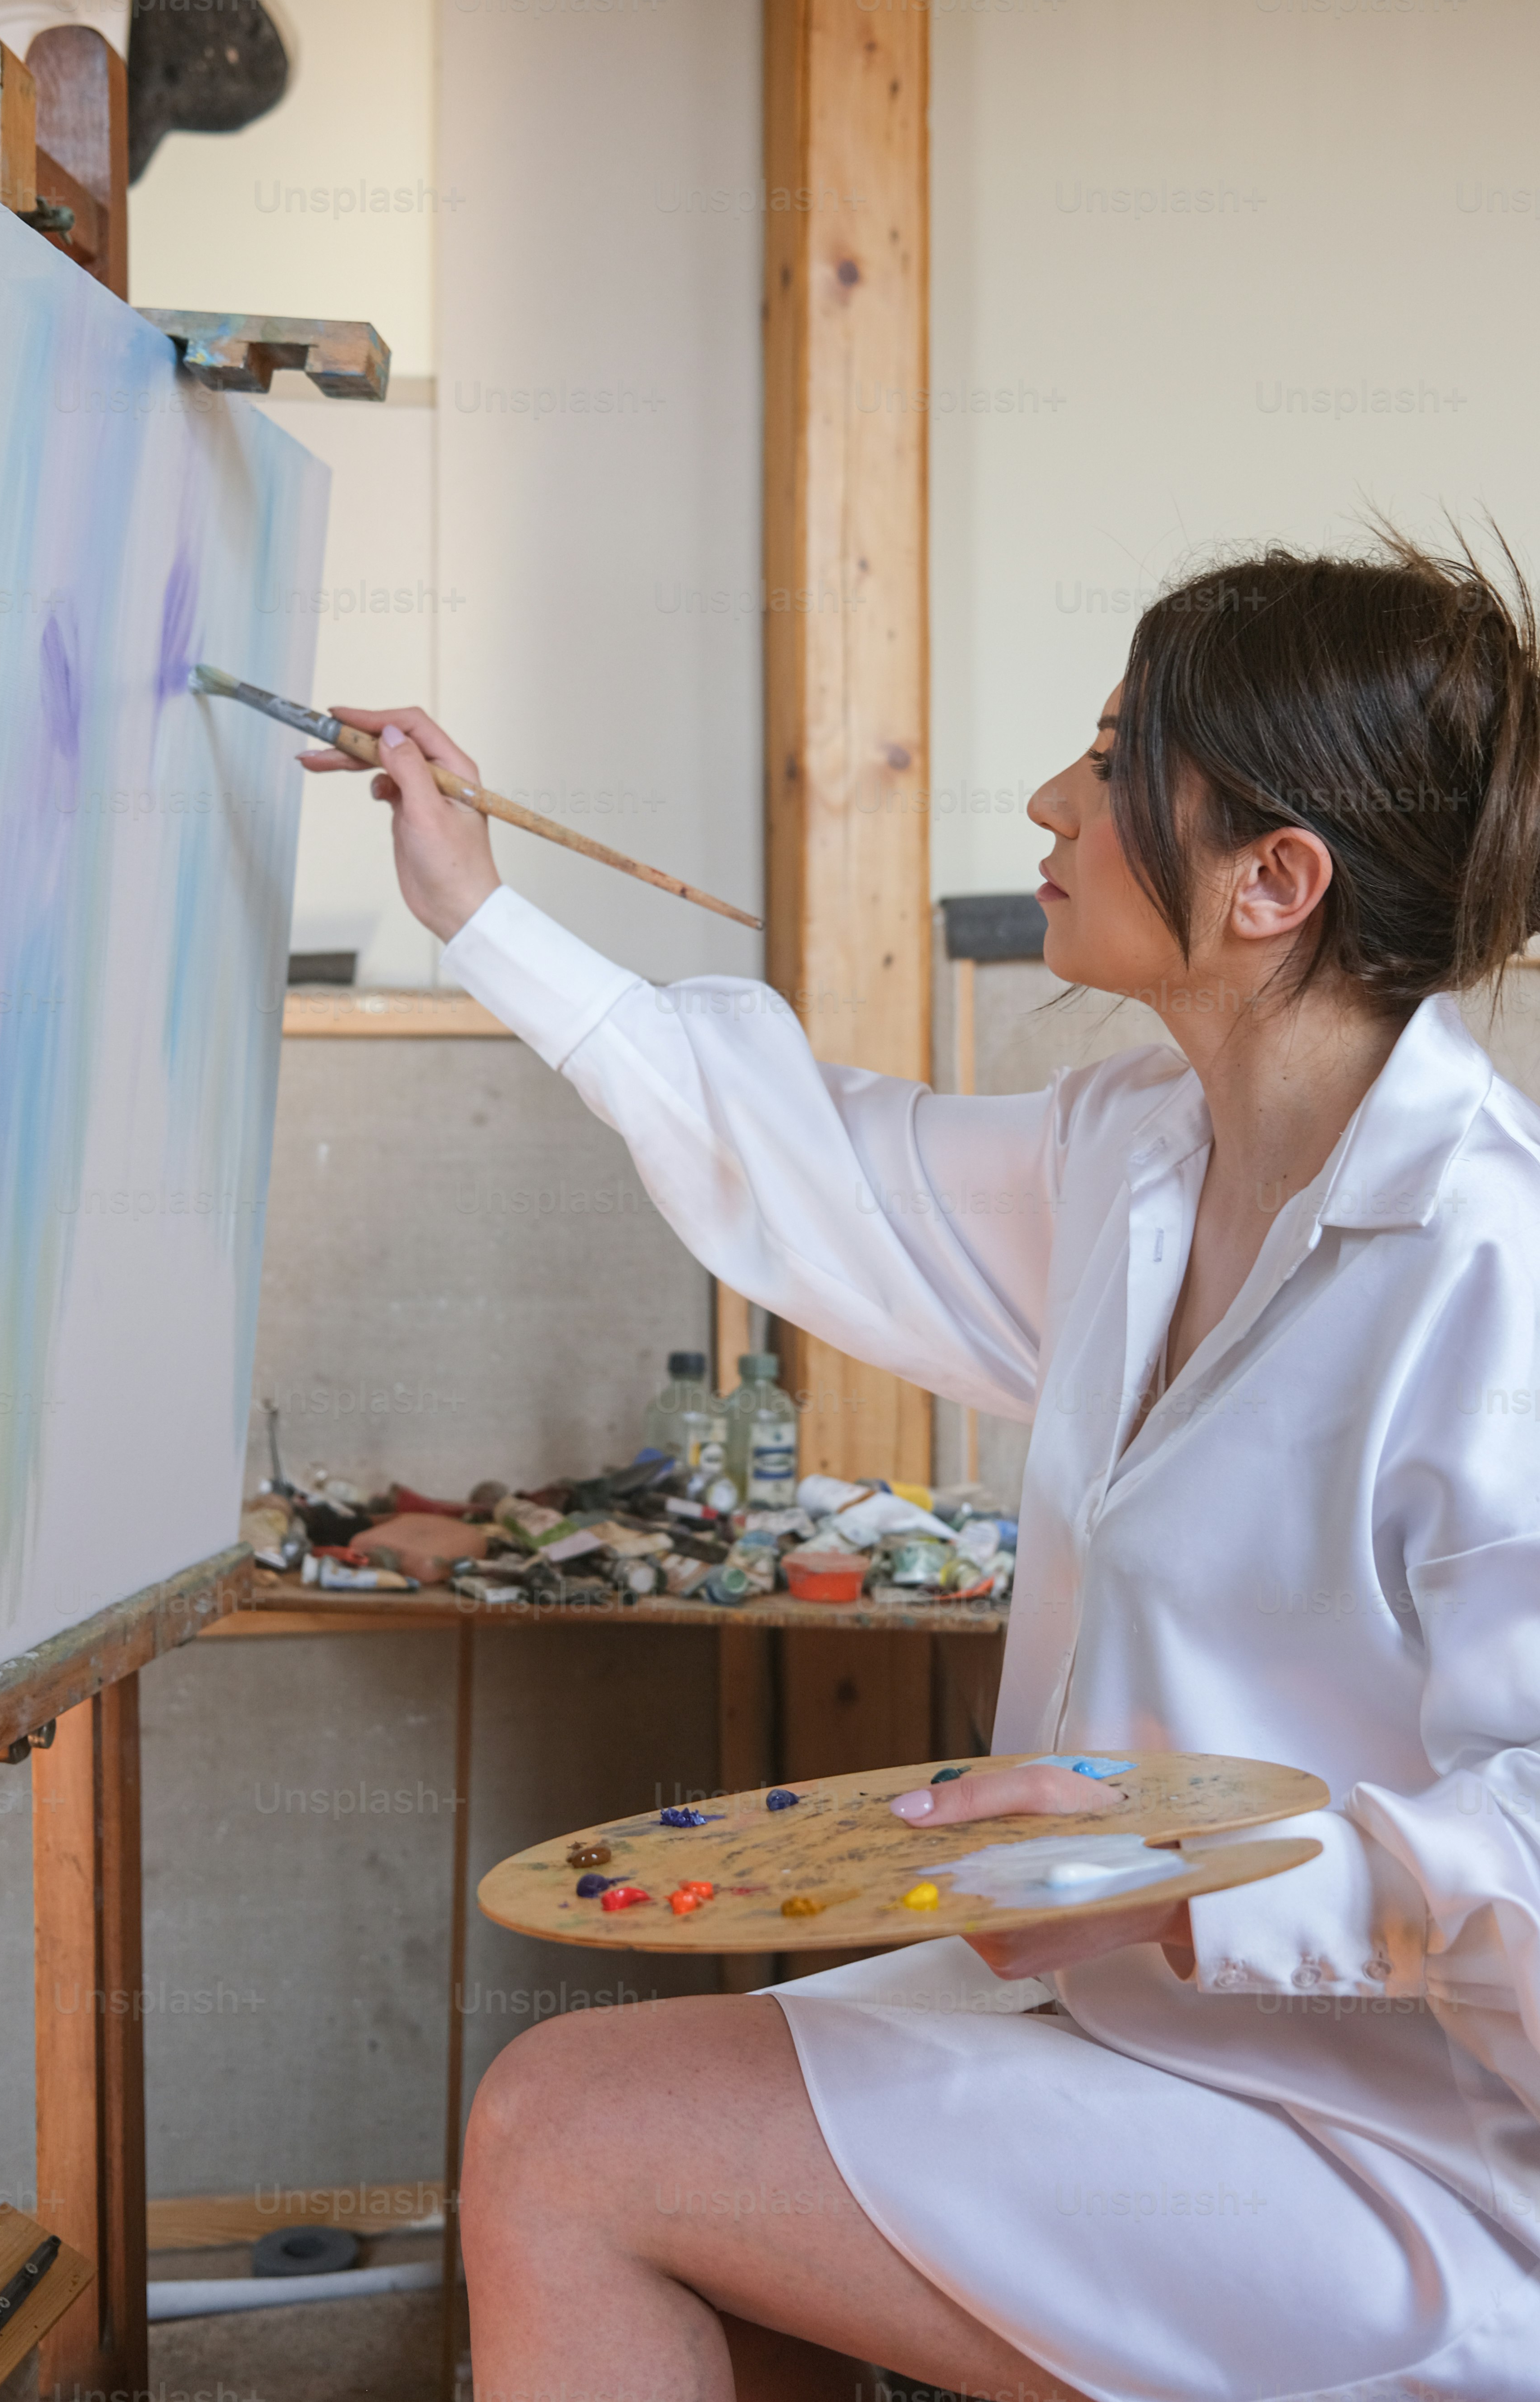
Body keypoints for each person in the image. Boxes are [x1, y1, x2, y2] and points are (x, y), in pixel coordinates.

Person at [302, 537, 1540, 2402]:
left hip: (1404, 2146)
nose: (1054, 800)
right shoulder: (1140, 1146)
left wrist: (1188, 1886)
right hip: (1115, 2011)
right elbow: (814, 1163)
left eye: (1119, 762)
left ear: (1276, 880)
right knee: (631, 2145)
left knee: (571, 2129)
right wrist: (477, 907)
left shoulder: (1491, 1276)